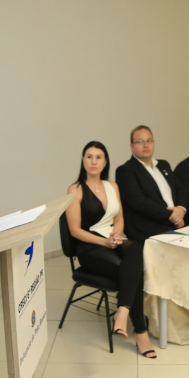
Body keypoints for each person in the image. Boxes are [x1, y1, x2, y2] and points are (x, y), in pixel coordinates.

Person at [65, 141, 155, 359]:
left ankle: (122, 311)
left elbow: (119, 219)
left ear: (105, 162)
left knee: (136, 249)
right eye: (89, 156)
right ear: (83, 160)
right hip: (89, 247)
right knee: (133, 273)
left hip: (112, 239)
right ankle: (140, 333)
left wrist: (116, 235)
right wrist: (104, 242)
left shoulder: (113, 186)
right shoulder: (75, 190)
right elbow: (75, 231)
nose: (93, 161)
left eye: (98, 157)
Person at [115, 125, 188, 241]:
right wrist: (174, 216)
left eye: (149, 140)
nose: (146, 145)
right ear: (132, 146)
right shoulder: (125, 171)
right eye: (140, 141)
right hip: (150, 232)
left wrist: (181, 209)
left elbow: (180, 189)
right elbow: (140, 203)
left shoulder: (163, 165)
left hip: (177, 225)